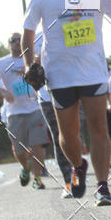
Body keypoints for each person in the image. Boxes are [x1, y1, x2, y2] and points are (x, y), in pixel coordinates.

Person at [22, 0, 111, 206]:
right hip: (59, 75)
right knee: (69, 135)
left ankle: (103, 185)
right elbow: (27, 32)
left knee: (99, 128)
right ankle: (79, 165)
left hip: (93, 72)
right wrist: (29, 65)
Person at [0, 33, 47, 190]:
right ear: (9, 45)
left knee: (37, 143)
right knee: (19, 149)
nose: (17, 42)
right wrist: (2, 93)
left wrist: (39, 64)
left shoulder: (32, 59)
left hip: (35, 107)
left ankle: (37, 178)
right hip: (14, 112)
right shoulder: (1, 63)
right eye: (13, 41)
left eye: (19, 40)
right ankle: (25, 167)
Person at [34, 33, 73, 197]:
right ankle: (68, 183)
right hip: (46, 96)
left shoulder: (68, 29)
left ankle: (77, 171)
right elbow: (28, 65)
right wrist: (35, 61)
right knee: (58, 136)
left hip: (71, 90)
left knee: (72, 135)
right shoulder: (35, 38)